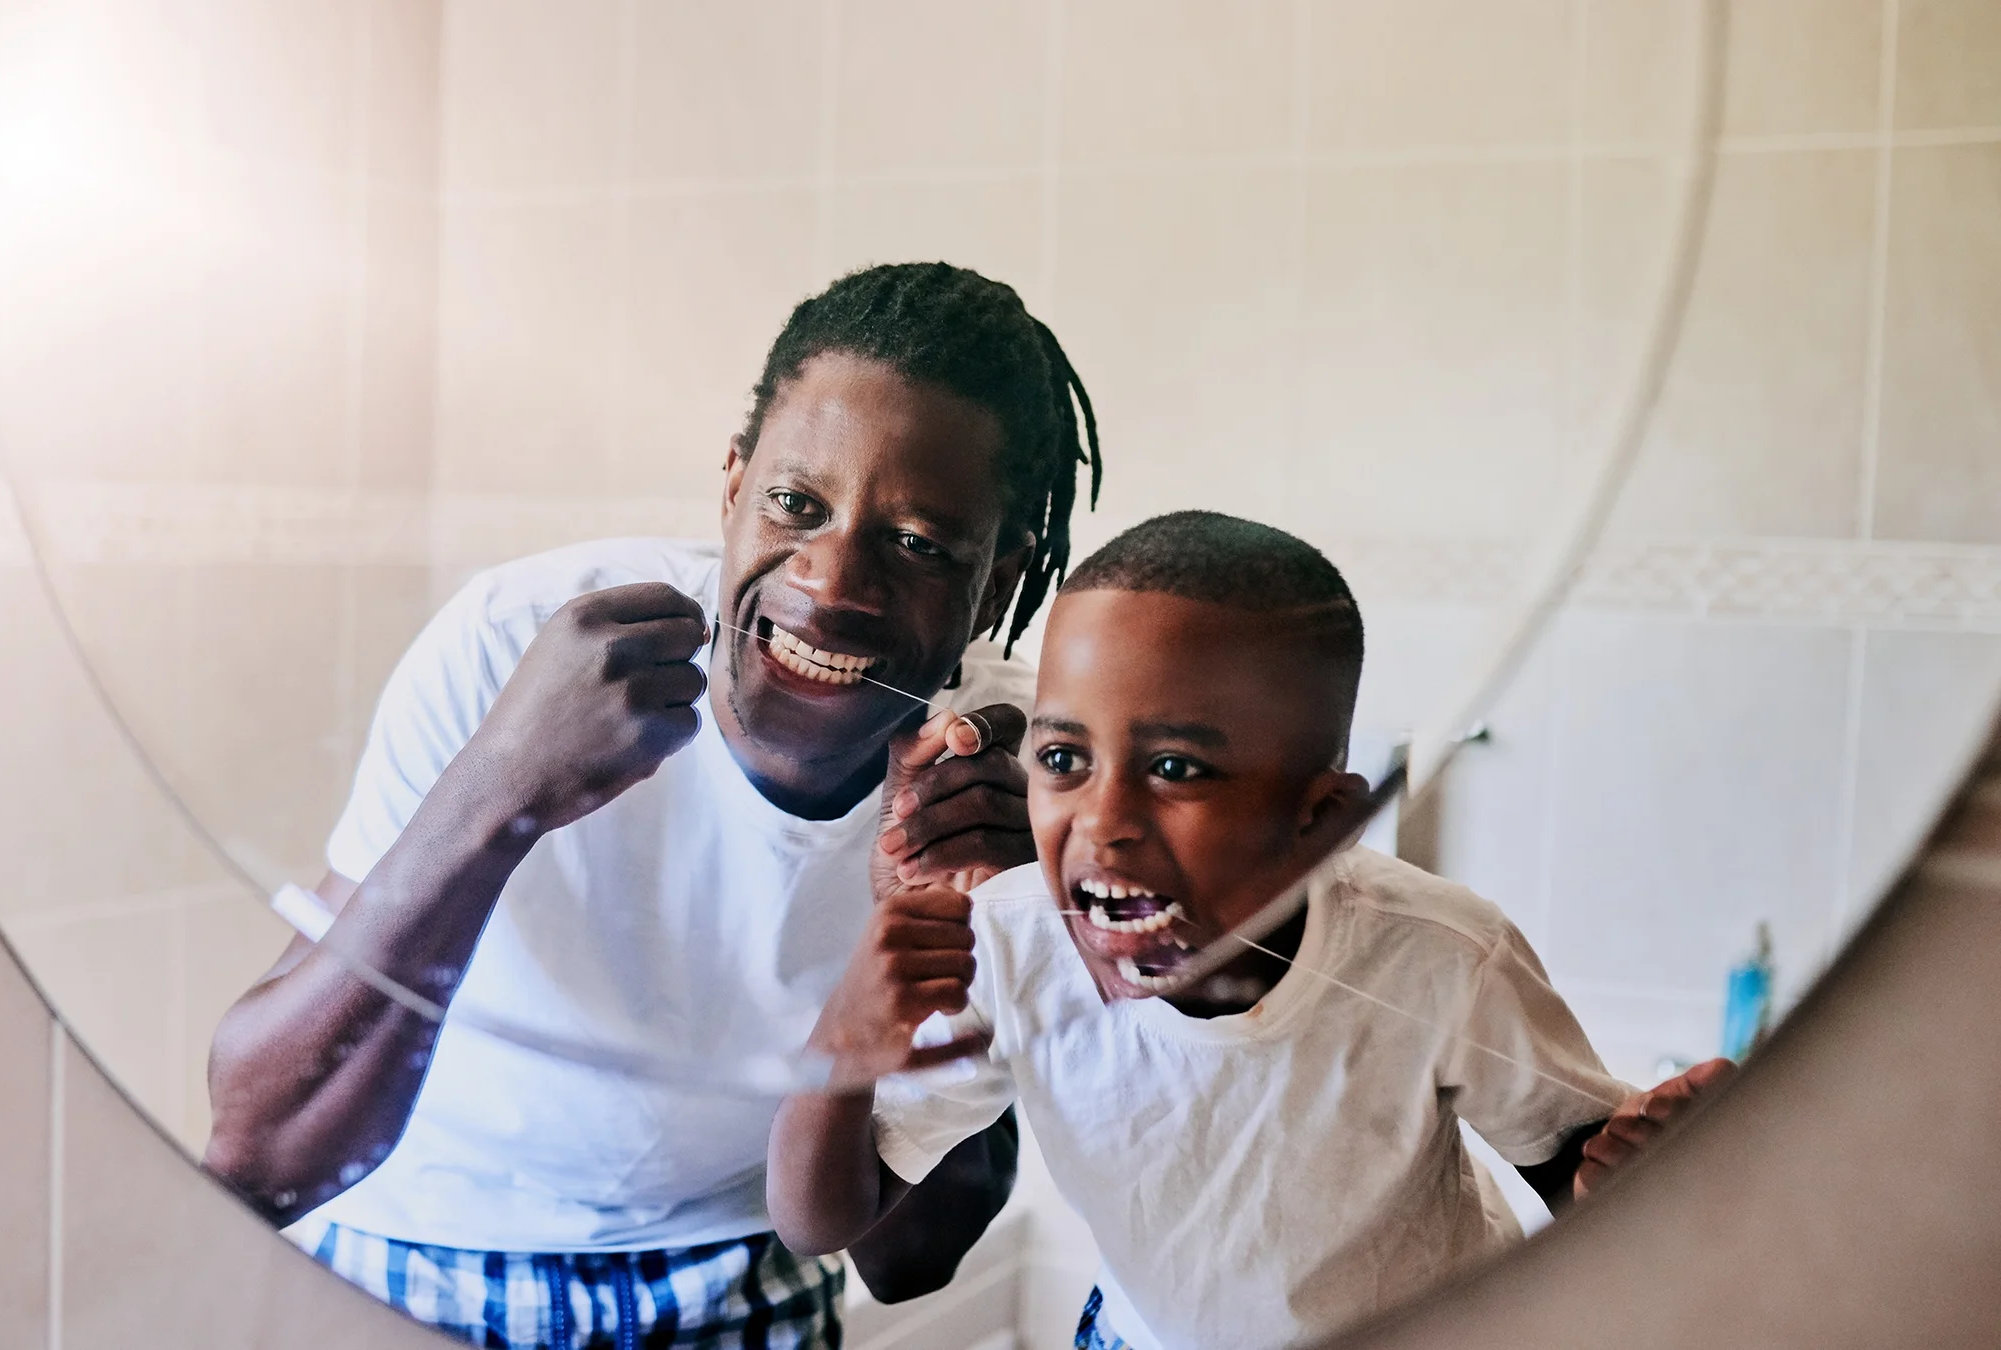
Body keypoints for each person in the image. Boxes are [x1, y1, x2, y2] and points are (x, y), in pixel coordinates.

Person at [203, 263, 1101, 1348]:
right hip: (403, 1248)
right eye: (794, 504)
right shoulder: (514, 645)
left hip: (738, 1278)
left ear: (1000, 583)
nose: (831, 579)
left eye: (918, 546)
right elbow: (260, 1158)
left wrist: (993, 923)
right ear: (731, 491)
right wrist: (504, 788)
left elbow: (909, 1260)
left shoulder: (1011, 772)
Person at [767, 511, 1736, 1350]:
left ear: (1318, 825)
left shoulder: (1437, 955)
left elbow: (1574, 1164)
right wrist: (845, 1039)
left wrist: (1635, 1170)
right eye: (1064, 757)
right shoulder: (1015, 943)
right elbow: (821, 1222)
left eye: (1178, 770)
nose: (1103, 821)